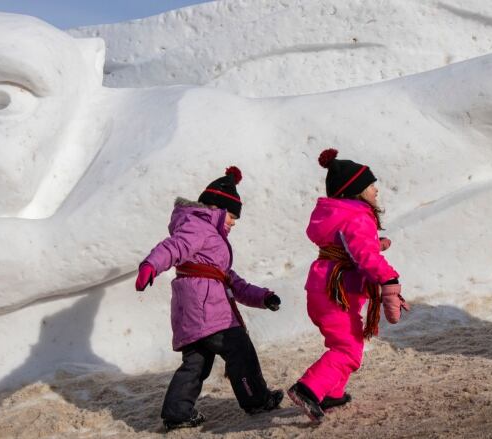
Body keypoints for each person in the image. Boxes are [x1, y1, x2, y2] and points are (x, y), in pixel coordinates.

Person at [135, 166, 284, 431]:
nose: (233, 223)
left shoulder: (206, 236)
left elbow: (230, 280)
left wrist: (263, 297)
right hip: (209, 310)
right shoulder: (198, 227)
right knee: (240, 350)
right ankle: (256, 399)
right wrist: (151, 265)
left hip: (193, 312)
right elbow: (173, 247)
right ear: (216, 208)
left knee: (196, 362)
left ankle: (177, 412)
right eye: (232, 216)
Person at [288, 148, 409, 422]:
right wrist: (389, 278)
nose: (375, 190)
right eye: (370, 185)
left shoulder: (339, 215)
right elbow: (365, 257)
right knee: (347, 350)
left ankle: (332, 393)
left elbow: (351, 247)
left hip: (323, 288)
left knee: (348, 342)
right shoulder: (357, 216)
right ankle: (307, 389)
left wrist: (375, 244)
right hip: (335, 292)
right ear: (354, 190)